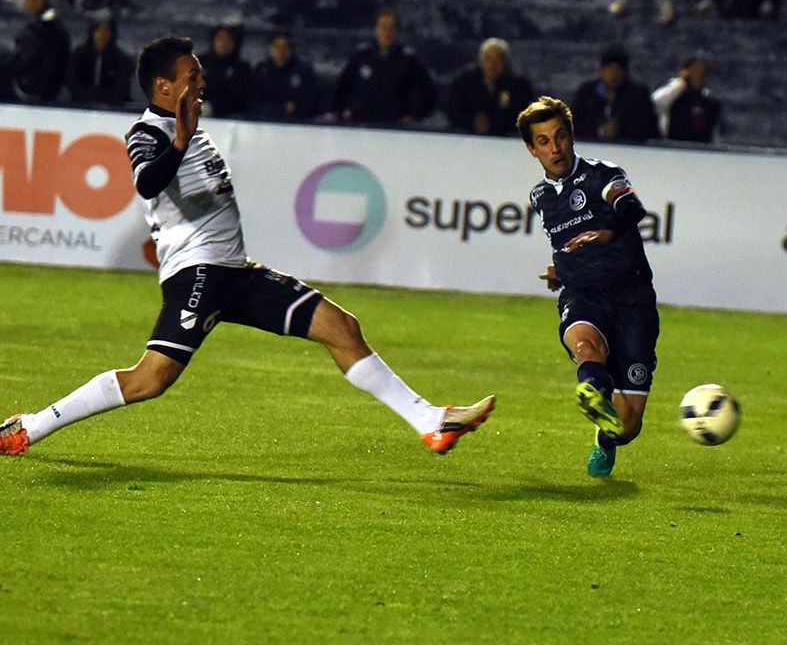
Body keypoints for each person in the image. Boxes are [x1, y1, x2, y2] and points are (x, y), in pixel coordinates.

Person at [0, 36, 495, 457]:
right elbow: (147, 183)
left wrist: (188, 136)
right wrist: (179, 141)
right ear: (164, 87)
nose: (202, 81)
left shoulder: (193, 127)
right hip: (198, 274)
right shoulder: (148, 132)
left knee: (342, 327)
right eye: (192, 75)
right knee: (149, 379)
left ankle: (431, 421)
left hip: (232, 271)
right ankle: (30, 428)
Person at [518, 95, 659, 478]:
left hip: (632, 299)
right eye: (544, 141)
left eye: (560, 136)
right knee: (586, 346)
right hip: (583, 296)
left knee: (626, 426)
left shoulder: (603, 175)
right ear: (532, 149)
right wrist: (560, 270)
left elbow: (631, 208)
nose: (555, 148)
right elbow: (564, 243)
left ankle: (606, 436)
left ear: (572, 136)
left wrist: (608, 232)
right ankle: (593, 391)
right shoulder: (539, 197)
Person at [331, 8, 437, 125]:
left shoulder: (408, 60)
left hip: (396, 126)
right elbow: (343, 86)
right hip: (360, 123)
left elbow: (428, 92)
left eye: (392, 28)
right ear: (376, 29)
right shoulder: (361, 56)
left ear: (397, 31)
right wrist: (337, 111)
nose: (387, 32)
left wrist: (416, 116)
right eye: (383, 27)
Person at [443, 37, 533, 136]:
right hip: (467, 136)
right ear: (480, 61)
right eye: (488, 59)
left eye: (498, 59)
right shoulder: (464, 80)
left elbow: (522, 115)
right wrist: (473, 122)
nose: (492, 65)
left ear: (505, 62)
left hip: (505, 138)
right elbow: (453, 110)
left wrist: (493, 124)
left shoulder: (519, 85)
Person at [0, 0, 70, 102]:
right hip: (44, 84)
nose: (31, 1)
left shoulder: (45, 28)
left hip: (35, 88)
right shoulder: (49, 21)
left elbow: (21, 62)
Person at [570, 45, 659, 143]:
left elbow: (646, 129)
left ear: (625, 73)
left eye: (619, 69)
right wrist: (600, 131)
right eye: (610, 68)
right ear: (602, 70)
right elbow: (573, 125)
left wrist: (619, 130)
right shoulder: (586, 93)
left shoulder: (638, 96)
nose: (614, 74)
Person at [248, 29, 320, 120]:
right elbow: (251, 103)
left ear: (291, 50)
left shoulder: (303, 71)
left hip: (295, 123)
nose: (281, 51)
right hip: (264, 121)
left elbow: (309, 103)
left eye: (285, 47)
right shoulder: (261, 70)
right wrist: (280, 109)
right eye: (277, 47)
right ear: (270, 49)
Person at [65, 13, 133, 107]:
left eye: (106, 31)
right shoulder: (79, 55)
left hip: (113, 110)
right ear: (92, 33)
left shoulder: (121, 59)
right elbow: (71, 84)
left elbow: (121, 90)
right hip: (80, 107)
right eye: (98, 31)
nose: (102, 35)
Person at [651, 54, 722, 142]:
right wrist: (679, 84)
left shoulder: (707, 100)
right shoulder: (676, 93)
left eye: (703, 72)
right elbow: (656, 102)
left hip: (700, 145)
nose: (699, 75)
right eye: (695, 70)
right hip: (674, 143)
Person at [197, 23, 251, 118]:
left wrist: (214, 107)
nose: (224, 43)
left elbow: (240, 98)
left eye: (229, 39)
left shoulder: (242, 68)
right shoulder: (199, 62)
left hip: (229, 117)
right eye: (220, 38)